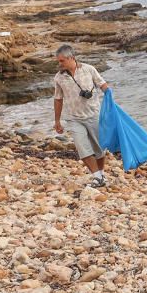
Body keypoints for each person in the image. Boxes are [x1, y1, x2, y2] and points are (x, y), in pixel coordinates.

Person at [53, 44, 110, 188]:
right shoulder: (59, 77)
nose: (59, 64)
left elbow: (103, 85)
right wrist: (57, 121)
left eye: (62, 61)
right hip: (73, 118)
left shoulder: (89, 69)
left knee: (99, 149)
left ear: (71, 58)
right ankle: (96, 177)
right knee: (82, 147)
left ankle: (101, 174)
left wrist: (110, 100)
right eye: (58, 61)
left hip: (94, 115)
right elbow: (58, 99)